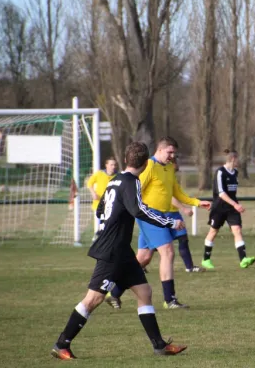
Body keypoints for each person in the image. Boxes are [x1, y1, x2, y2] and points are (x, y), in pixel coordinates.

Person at [50, 142, 187, 360]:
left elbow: (102, 210)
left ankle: (159, 345)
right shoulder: (131, 182)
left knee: (145, 292)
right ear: (144, 164)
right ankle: (61, 344)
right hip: (112, 251)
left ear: (126, 160)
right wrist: (169, 222)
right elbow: (139, 210)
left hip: (121, 250)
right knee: (93, 299)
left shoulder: (114, 181)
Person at [105, 137, 210, 310]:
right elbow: (134, 190)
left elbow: (177, 193)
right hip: (150, 216)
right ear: (159, 150)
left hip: (161, 217)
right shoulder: (149, 166)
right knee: (168, 252)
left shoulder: (168, 168)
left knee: (143, 259)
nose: (172, 156)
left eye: (174, 153)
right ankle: (170, 299)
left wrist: (197, 203)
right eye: (169, 152)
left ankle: (114, 292)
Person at [201, 149, 255, 270]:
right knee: (213, 232)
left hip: (232, 208)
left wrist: (235, 205)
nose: (239, 161)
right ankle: (206, 259)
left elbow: (232, 192)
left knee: (237, 230)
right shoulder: (220, 172)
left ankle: (243, 259)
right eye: (238, 159)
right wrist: (235, 204)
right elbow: (221, 193)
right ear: (233, 159)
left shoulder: (235, 172)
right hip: (219, 208)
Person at [168, 158, 205, 273]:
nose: (178, 165)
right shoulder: (163, 176)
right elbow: (168, 196)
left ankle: (190, 267)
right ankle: (139, 266)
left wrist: (197, 202)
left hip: (174, 213)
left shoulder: (172, 177)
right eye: (176, 163)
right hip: (163, 213)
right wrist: (184, 208)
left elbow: (180, 195)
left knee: (183, 239)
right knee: (156, 246)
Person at [86, 157, 118, 240]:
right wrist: (93, 193)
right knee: (104, 221)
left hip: (111, 204)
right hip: (99, 203)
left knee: (108, 222)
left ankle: (99, 236)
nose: (113, 167)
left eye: (114, 165)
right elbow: (89, 183)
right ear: (106, 165)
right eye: (111, 165)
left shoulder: (117, 176)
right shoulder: (99, 174)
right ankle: (99, 236)